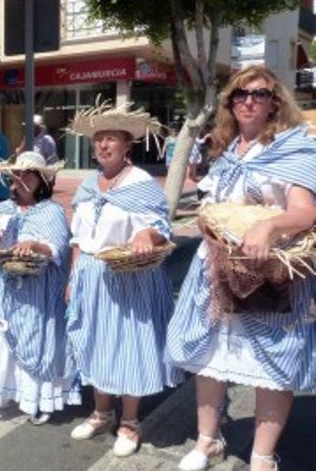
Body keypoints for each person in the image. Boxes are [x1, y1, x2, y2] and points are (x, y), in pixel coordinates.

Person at [166, 65, 316, 471]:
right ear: (230, 103)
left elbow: (305, 213)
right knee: (212, 359)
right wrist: (206, 222)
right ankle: (207, 441)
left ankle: (262, 456)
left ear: (275, 103)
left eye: (259, 94)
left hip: (269, 272)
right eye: (240, 94)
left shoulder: (293, 148)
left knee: (272, 366)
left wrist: (269, 224)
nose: (248, 100)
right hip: (217, 270)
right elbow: (210, 207)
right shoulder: (228, 152)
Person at [65, 103, 183, 457]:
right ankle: (101, 412)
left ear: (127, 144)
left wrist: (147, 236)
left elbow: (160, 225)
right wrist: (72, 277)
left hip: (129, 277)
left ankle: (130, 421)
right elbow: (77, 237)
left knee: (128, 343)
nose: (103, 145)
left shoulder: (141, 183)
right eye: (99, 139)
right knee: (96, 341)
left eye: (111, 139)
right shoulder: (88, 185)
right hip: (91, 275)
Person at [0, 152, 78, 424]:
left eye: (28, 174)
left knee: (37, 338)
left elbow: (57, 249)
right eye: (17, 174)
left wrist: (34, 245)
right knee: (5, 341)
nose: (21, 179)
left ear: (42, 180)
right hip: (6, 286)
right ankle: (7, 394)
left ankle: (38, 399)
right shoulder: (6, 209)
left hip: (38, 290)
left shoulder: (52, 211)